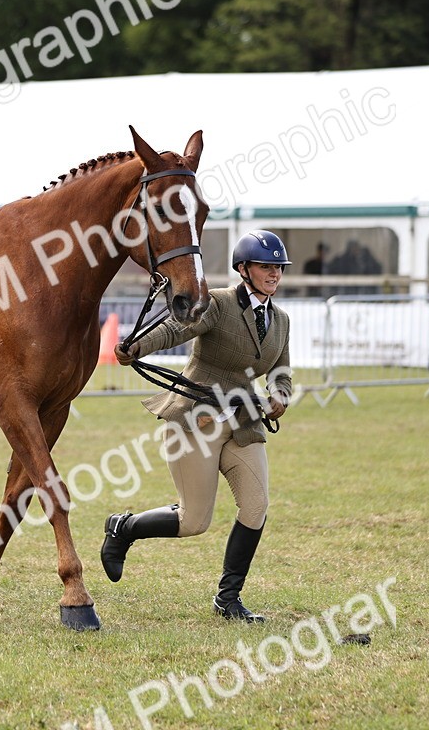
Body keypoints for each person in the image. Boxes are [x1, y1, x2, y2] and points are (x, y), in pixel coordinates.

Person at [106, 230, 293, 623]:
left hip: (243, 420)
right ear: (244, 269)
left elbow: (281, 373)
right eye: (265, 266)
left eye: (278, 267)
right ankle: (123, 528)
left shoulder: (281, 320)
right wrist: (137, 347)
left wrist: (280, 396)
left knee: (256, 506)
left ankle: (228, 599)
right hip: (197, 417)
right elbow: (178, 328)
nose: (273, 273)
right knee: (194, 521)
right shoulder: (220, 304)